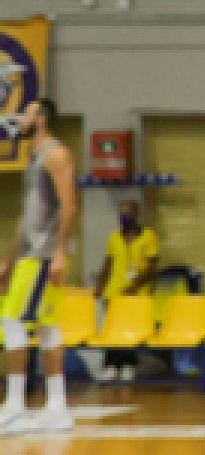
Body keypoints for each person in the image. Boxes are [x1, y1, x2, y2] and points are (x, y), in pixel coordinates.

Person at [0, 100, 76, 434]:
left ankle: (15, 406)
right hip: (29, 255)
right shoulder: (33, 158)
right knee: (47, 327)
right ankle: (57, 409)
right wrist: (9, 259)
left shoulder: (57, 154)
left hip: (43, 255)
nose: (21, 118)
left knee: (12, 320)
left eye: (27, 113)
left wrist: (59, 251)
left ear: (41, 118)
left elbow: (69, 205)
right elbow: (26, 216)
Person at [93, 198, 160, 384]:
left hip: (137, 295)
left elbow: (153, 267)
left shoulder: (148, 236)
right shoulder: (114, 237)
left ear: (136, 214)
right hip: (114, 293)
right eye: (121, 214)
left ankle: (129, 365)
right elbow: (108, 263)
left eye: (128, 213)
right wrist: (100, 285)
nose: (124, 217)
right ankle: (111, 366)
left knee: (130, 331)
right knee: (113, 331)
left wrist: (135, 285)